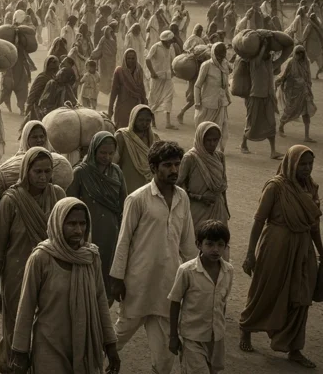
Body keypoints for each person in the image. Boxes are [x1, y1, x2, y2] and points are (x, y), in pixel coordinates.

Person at [110, 141, 197, 374]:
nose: (174, 170)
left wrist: (196, 276)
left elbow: (188, 243)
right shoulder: (137, 199)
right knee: (116, 339)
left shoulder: (182, 198)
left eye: (177, 164)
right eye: (167, 165)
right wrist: (117, 278)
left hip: (168, 286)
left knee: (165, 356)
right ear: (153, 167)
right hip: (138, 283)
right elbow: (124, 240)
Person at [11, 198, 121, 374]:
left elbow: (100, 300)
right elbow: (26, 306)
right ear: (58, 223)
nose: (78, 230)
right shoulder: (41, 258)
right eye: (71, 224)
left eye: (82, 223)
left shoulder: (90, 257)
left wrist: (110, 344)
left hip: (84, 344)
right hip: (49, 345)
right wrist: (20, 352)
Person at [239, 145, 321, 368]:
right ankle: (246, 327)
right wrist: (250, 254)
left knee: (301, 297)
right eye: (302, 164)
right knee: (266, 290)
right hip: (276, 246)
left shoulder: (311, 188)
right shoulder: (275, 187)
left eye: (310, 164)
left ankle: (295, 348)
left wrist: (321, 252)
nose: (307, 168)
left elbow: (314, 226)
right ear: (291, 163)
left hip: (303, 248)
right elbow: (259, 221)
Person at [0, 147, 65, 372]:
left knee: (47, 329)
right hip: (17, 276)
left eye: (47, 171)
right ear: (26, 171)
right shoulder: (11, 200)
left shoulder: (58, 196)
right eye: (37, 171)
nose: (43, 177)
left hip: (50, 275)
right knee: (16, 329)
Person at [168, 220, 233, 374]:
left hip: (216, 337)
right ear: (199, 244)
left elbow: (222, 303)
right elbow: (175, 302)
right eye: (209, 244)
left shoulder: (228, 271)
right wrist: (173, 336)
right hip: (193, 336)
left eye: (220, 245)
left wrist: (220, 328)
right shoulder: (187, 271)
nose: (215, 249)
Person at [67, 131, 127, 293]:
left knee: (107, 268)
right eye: (103, 152)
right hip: (87, 231)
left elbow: (123, 202)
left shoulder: (117, 172)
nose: (107, 157)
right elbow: (69, 204)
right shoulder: (80, 172)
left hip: (111, 231)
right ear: (93, 150)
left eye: (111, 153)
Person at [240, 37, 282, 158]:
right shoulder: (254, 62)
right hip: (255, 96)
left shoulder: (268, 63)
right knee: (252, 122)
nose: (268, 53)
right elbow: (259, 58)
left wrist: (271, 51)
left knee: (271, 123)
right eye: (266, 52)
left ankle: (273, 151)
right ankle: (243, 144)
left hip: (268, 97)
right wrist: (263, 46)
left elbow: (277, 64)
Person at [194, 42, 231, 151]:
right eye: (218, 57)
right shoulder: (206, 65)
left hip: (221, 102)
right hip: (208, 102)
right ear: (213, 54)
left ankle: (218, 150)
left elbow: (225, 84)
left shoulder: (225, 65)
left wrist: (228, 97)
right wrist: (197, 102)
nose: (219, 59)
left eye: (222, 57)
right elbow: (197, 85)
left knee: (220, 127)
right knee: (204, 128)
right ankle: (200, 149)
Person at [114, 105, 159, 193]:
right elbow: (114, 162)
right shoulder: (122, 136)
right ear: (133, 119)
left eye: (148, 120)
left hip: (148, 184)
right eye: (141, 120)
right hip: (127, 182)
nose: (144, 123)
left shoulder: (154, 138)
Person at [277, 45, 317, 142]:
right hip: (293, 91)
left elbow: (308, 75)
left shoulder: (306, 62)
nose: (300, 55)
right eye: (298, 53)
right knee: (290, 110)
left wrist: (307, 85)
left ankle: (306, 136)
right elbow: (284, 75)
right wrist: (279, 81)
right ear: (295, 53)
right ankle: (281, 125)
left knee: (306, 112)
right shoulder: (291, 62)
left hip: (304, 91)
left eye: (302, 53)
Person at [146, 30, 179, 130]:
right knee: (154, 99)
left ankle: (168, 123)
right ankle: (152, 121)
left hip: (167, 77)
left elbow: (173, 61)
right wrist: (152, 72)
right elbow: (148, 59)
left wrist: (173, 71)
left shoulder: (171, 48)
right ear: (165, 40)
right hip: (157, 77)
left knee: (169, 98)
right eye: (169, 41)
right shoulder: (156, 47)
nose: (170, 43)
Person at [108, 49, 148, 128]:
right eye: (128, 58)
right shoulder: (119, 71)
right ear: (125, 59)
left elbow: (141, 88)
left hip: (136, 106)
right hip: (123, 106)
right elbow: (113, 91)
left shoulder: (139, 70)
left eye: (133, 58)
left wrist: (144, 104)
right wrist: (110, 108)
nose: (131, 60)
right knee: (122, 129)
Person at [24, 55, 59, 121]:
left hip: (49, 107)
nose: (53, 64)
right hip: (38, 106)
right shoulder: (42, 77)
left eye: (54, 62)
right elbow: (33, 92)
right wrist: (29, 105)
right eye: (51, 62)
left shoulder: (55, 77)